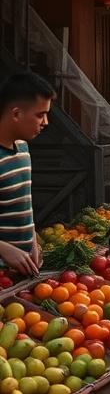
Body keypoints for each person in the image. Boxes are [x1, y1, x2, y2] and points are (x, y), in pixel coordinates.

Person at [0, 73, 54, 277]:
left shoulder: (23, 148)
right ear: (16, 114)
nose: (46, 122)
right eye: (40, 115)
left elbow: (22, 205)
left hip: (21, 275)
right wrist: (4, 250)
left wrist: (32, 237)